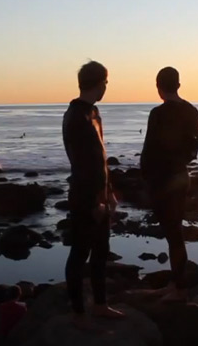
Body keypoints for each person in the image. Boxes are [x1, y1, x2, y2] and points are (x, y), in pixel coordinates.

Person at [62, 61, 124, 329]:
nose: (106, 87)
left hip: (100, 195)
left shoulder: (94, 112)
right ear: (98, 83)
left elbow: (101, 159)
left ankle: (100, 305)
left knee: (101, 252)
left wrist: (109, 193)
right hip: (84, 197)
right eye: (106, 82)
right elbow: (83, 164)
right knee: (79, 254)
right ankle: (78, 313)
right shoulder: (76, 116)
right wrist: (93, 202)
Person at [140, 66, 198, 302]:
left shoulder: (158, 114)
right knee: (175, 232)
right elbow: (193, 151)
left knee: (173, 234)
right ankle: (177, 283)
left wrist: (145, 177)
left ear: (159, 86)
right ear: (178, 84)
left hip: (162, 180)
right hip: (181, 177)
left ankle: (179, 288)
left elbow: (149, 149)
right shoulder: (192, 111)